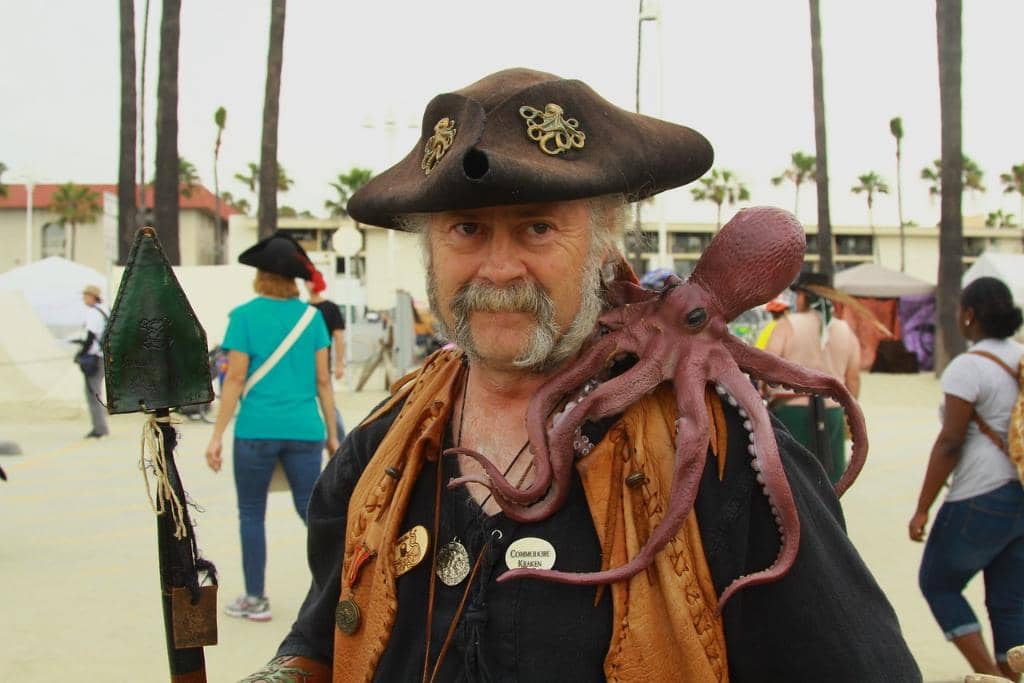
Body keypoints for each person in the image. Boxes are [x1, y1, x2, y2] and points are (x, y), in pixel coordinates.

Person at [247, 69, 918, 681]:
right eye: (467, 230)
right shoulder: (378, 454)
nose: (499, 267)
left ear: (604, 243)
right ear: (430, 247)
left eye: (537, 227)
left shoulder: (724, 461)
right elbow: (321, 637)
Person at [205, 231, 341, 622]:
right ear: (293, 279)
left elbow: (233, 380)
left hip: (256, 429)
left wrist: (216, 435)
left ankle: (255, 599)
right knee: (312, 511)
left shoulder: (243, 317)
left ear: (260, 276)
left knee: (251, 513)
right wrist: (332, 434)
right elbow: (322, 381)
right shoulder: (312, 318)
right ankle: (337, 590)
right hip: (305, 429)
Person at [909, 276, 1024, 681]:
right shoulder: (1021, 357)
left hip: (979, 493)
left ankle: (987, 673)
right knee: (1009, 602)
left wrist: (922, 508)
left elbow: (950, 443)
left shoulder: (968, 366)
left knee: (937, 582)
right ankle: (1012, 676)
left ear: (970, 315)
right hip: (1020, 495)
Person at [764, 272, 861, 483]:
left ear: (804, 297)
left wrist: (762, 391)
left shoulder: (788, 324)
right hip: (832, 413)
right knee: (829, 481)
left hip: (790, 411)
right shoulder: (845, 329)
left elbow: (767, 367)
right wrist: (849, 413)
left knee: (791, 481)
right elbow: (853, 378)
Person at [305, 272, 347, 441]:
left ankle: (339, 440)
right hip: (303, 365)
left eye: (309, 280)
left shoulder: (331, 308)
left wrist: (339, 364)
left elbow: (339, 338)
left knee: (328, 405)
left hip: (322, 363)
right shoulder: (303, 308)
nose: (307, 284)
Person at [78, 284, 109, 438]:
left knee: (92, 394)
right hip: (103, 357)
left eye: (85, 296)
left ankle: (99, 428)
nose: (84, 298)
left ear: (92, 297)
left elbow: (90, 337)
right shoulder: (104, 311)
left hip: (94, 357)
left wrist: (80, 354)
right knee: (96, 392)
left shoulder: (92, 313)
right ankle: (100, 427)